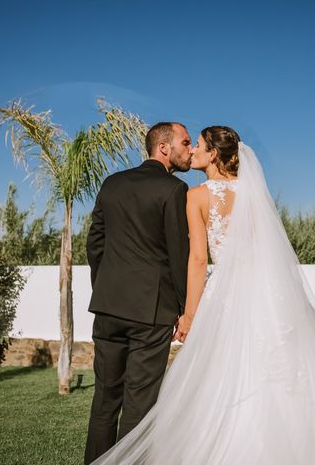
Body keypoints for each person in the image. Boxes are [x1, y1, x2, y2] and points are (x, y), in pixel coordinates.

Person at [91, 126, 315, 464]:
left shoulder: (191, 195)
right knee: (284, 378)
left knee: (120, 398)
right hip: (265, 295)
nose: (193, 151)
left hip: (181, 301)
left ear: (213, 154)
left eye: (196, 145)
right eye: (189, 144)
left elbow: (194, 258)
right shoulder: (252, 194)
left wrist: (186, 313)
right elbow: (253, 251)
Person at [84, 122, 192, 464]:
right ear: (163, 147)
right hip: (151, 312)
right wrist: (183, 307)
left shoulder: (112, 184)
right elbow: (179, 254)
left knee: (104, 402)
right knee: (138, 407)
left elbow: (94, 245)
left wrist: (106, 289)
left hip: (108, 308)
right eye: (185, 142)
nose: (189, 149)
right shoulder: (174, 189)